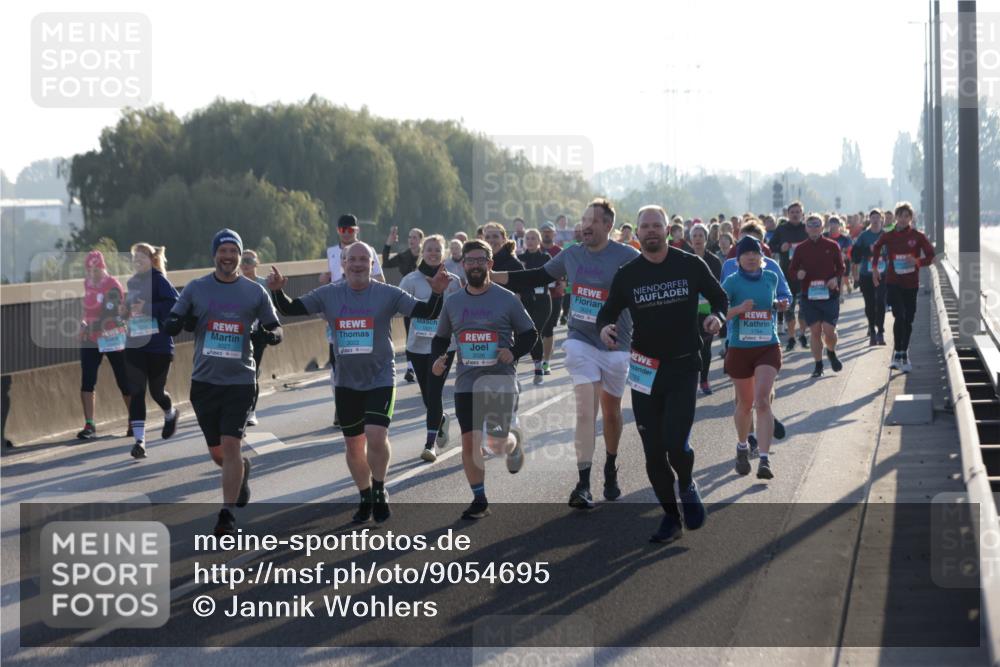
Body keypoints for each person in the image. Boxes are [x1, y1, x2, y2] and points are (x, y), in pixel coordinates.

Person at [268, 242, 451, 524]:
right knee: (354, 446)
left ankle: (378, 489)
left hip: (380, 376)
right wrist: (277, 290)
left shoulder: (387, 294)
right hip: (346, 382)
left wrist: (437, 292)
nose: (357, 264)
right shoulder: (329, 294)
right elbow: (291, 308)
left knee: (377, 436)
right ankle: (364, 494)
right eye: (351, 259)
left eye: (363, 259)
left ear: (372, 264)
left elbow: (425, 312)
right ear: (342, 263)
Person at [493, 198, 639, 509]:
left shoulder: (628, 257)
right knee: (586, 412)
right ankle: (583, 484)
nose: (585, 226)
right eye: (583, 220)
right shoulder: (572, 254)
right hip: (580, 340)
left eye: (593, 221)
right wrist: (490, 278)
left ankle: (610, 467)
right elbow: (535, 277)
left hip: (616, 345)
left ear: (608, 225)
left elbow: (645, 293)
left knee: (611, 415)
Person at [596, 205, 727, 543]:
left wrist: (718, 318)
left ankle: (686, 484)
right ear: (637, 233)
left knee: (675, 445)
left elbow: (719, 297)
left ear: (669, 230)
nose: (651, 231)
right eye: (645, 226)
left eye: (657, 225)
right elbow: (607, 312)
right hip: (644, 370)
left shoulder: (689, 264)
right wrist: (606, 328)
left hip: (683, 365)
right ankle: (670, 517)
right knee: (652, 450)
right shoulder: (628, 274)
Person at [164, 230, 282, 537]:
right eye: (223, 251)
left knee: (231, 444)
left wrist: (272, 335)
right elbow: (175, 317)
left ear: (240, 256)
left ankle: (226, 514)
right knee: (219, 452)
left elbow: (275, 326)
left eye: (233, 251)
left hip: (240, 380)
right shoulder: (196, 288)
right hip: (204, 382)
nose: (228, 256)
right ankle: (241, 470)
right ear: (214, 255)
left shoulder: (254, 292)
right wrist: (173, 324)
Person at [431, 239, 537, 519]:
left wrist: (512, 352)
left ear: (490, 264)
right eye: (470, 261)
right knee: (469, 443)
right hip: (466, 382)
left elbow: (529, 334)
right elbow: (440, 339)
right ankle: (479, 499)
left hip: (499, 379)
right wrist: (439, 359)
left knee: (496, 445)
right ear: (463, 265)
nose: (475, 265)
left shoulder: (507, 299)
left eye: (481, 261)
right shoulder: (453, 302)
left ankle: (513, 442)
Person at [723, 237, 788, 480]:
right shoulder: (732, 282)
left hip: (767, 347)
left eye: (755, 253)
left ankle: (764, 459)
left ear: (762, 257)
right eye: (746, 254)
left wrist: (781, 305)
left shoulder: (771, 277)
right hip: (740, 348)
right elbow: (720, 314)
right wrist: (739, 309)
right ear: (738, 259)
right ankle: (742, 446)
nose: (751, 257)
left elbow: (781, 299)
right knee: (745, 403)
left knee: (762, 400)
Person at [398, 235, 463, 461]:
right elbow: (402, 308)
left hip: (445, 344)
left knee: (434, 391)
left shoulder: (453, 281)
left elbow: (462, 310)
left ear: (444, 253)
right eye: (429, 249)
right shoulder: (410, 280)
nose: (433, 253)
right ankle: (440, 418)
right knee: (427, 396)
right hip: (418, 345)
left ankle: (430, 444)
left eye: (437, 250)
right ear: (422, 253)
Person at [323, 214, 385, 427]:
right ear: (338, 231)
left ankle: (367, 403)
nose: (347, 233)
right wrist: (327, 279)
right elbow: (330, 279)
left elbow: (381, 280)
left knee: (364, 360)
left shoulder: (367, 251)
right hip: (338, 314)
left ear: (356, 230)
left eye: (350, 230)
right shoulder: (331, 253)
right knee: (337, 364)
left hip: (364, 315)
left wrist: (360, 280)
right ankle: (340, 408)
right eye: (343, 230)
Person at [123, 243, 180, 458]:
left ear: (152, 259)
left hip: (159, 346)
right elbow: (131, 309)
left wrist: (146, 308)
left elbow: (174, 304)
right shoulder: (132, 282)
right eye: (134, 258)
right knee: (137, 392)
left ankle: (170, 413)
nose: (137, 261)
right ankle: (140, 442)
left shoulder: (159, 280)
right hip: (135, 344)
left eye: (141, 258)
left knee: (156, 392)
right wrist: (125, 312)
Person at [872, 202, 936, 373]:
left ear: (911, 218)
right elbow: (876, 247)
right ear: (896, 217)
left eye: (907, 216)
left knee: (908, 319)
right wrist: (875, 268)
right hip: (893, 282)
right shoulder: (889, 235)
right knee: (899, 315)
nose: (903, 219)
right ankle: (897, 354)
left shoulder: (917, 236)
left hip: (911, 283)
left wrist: (917, 261)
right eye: (900, 215)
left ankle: (903, 352)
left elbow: (931, 255)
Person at [77, 250, 131, 440]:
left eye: (97, 269)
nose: (93, 273)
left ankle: (134, 420)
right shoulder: (87, 284)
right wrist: (84, 323)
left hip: (112, 337)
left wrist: (89, 326)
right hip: (91, 339)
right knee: (87, 380)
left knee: (123, 380)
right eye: (90, 270)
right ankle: (89, 424)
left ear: (103, 268)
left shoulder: (112, 285)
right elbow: (88, 310)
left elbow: (110, 316)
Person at [788, 213, 845, 378]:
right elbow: (791, 270)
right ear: (806, 228)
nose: (813, 228)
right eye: (810, 225)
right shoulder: (800, 248)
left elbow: (841, 267)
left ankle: (831, 352)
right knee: (814, 331)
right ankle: (818, 365)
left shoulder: (832, 245)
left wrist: (835, 278)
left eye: (817, 224)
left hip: (829, 295)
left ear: (822, 227)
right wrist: (797, 274)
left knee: (829, 331)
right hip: (809, 296)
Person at [383, 226, 424, 383]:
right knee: (411, 335)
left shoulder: (427, 256)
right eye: (409, 237)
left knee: (430, 335)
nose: (411, 240)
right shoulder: (404, 256)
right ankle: (410, 368)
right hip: (409, 301)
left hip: (426, 300)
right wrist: (389, 243)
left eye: (414, 237)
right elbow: (385, 263)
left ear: (421, 240)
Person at [240, 249, 276, 426]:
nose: (245, 264)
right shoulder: (234, 284)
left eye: (249, 260)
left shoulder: (264, 285)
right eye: (243, 260)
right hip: (237, 334)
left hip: (258, 335)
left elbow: (271, 312)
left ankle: (251, 411)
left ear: (257, 263)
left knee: (252, 373)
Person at [769, 201, 810, 351]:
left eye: (798, 212)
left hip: (806, 274)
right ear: (788, 214)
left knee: (804, 308)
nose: (795, 214)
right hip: (787, 273)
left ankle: (803, 334)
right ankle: (792, 337)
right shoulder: (782, 229)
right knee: (789, 308)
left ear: (802, 214)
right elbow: (770, 245)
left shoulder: (807, 228)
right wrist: (780, 247)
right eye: (792, 212)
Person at [688, 223, 723, 395]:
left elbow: (718, 288)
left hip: (707, 311)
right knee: (690, 347)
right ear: (690, 239)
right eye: (694, 236)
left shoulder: (714, 261)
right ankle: (691, 381)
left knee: (706, 347)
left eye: (701, 235)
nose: (697, 239)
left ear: (706, 238)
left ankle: (704, 380)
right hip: (688, 312)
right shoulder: (684, 258)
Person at [518, 228, 554, 384]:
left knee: (536, 331)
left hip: (542, 301)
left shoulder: (545, 257)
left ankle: (539, 369)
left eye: (534, 238)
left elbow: (550, 277)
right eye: (528, 238)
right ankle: (514, 368)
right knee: (525, 333)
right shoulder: (519, 258)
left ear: (539, 241)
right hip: (526, 301)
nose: (530, 241)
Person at [851, 209, 889, 346]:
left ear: (882, 219)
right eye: (872, 217)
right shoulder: (864, 236)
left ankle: (881, 331)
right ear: (870, 219)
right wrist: (868, 250)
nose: (875, 220)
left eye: (878, 217)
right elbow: (855, 254)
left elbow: (893, 251)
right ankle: (872, 330)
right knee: (870, 303)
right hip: (866, 275)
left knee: (880, 302)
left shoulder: (886, 235)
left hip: (882, 273)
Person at [539, 221, 564, 374]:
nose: (546, 234)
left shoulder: (559, 251)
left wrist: (564, 283)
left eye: (549, 231)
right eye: (544, 231)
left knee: (548, 328)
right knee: (538, 329)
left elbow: (568, 270)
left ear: (554, 234)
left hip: (555, 295)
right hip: (537, 295)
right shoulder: (537, 249)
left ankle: (546, 362)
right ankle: (539, 359)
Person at [825, 216, 854, 297]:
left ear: (839, 225)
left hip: (842, 261)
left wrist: (845, 255)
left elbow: (849, 251)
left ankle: (841, 293)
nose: (833, 226)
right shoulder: (824, 236)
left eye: (835, 224)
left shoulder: (845, 238)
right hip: (827, 263)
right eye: (831, 223)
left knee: (843, 277)